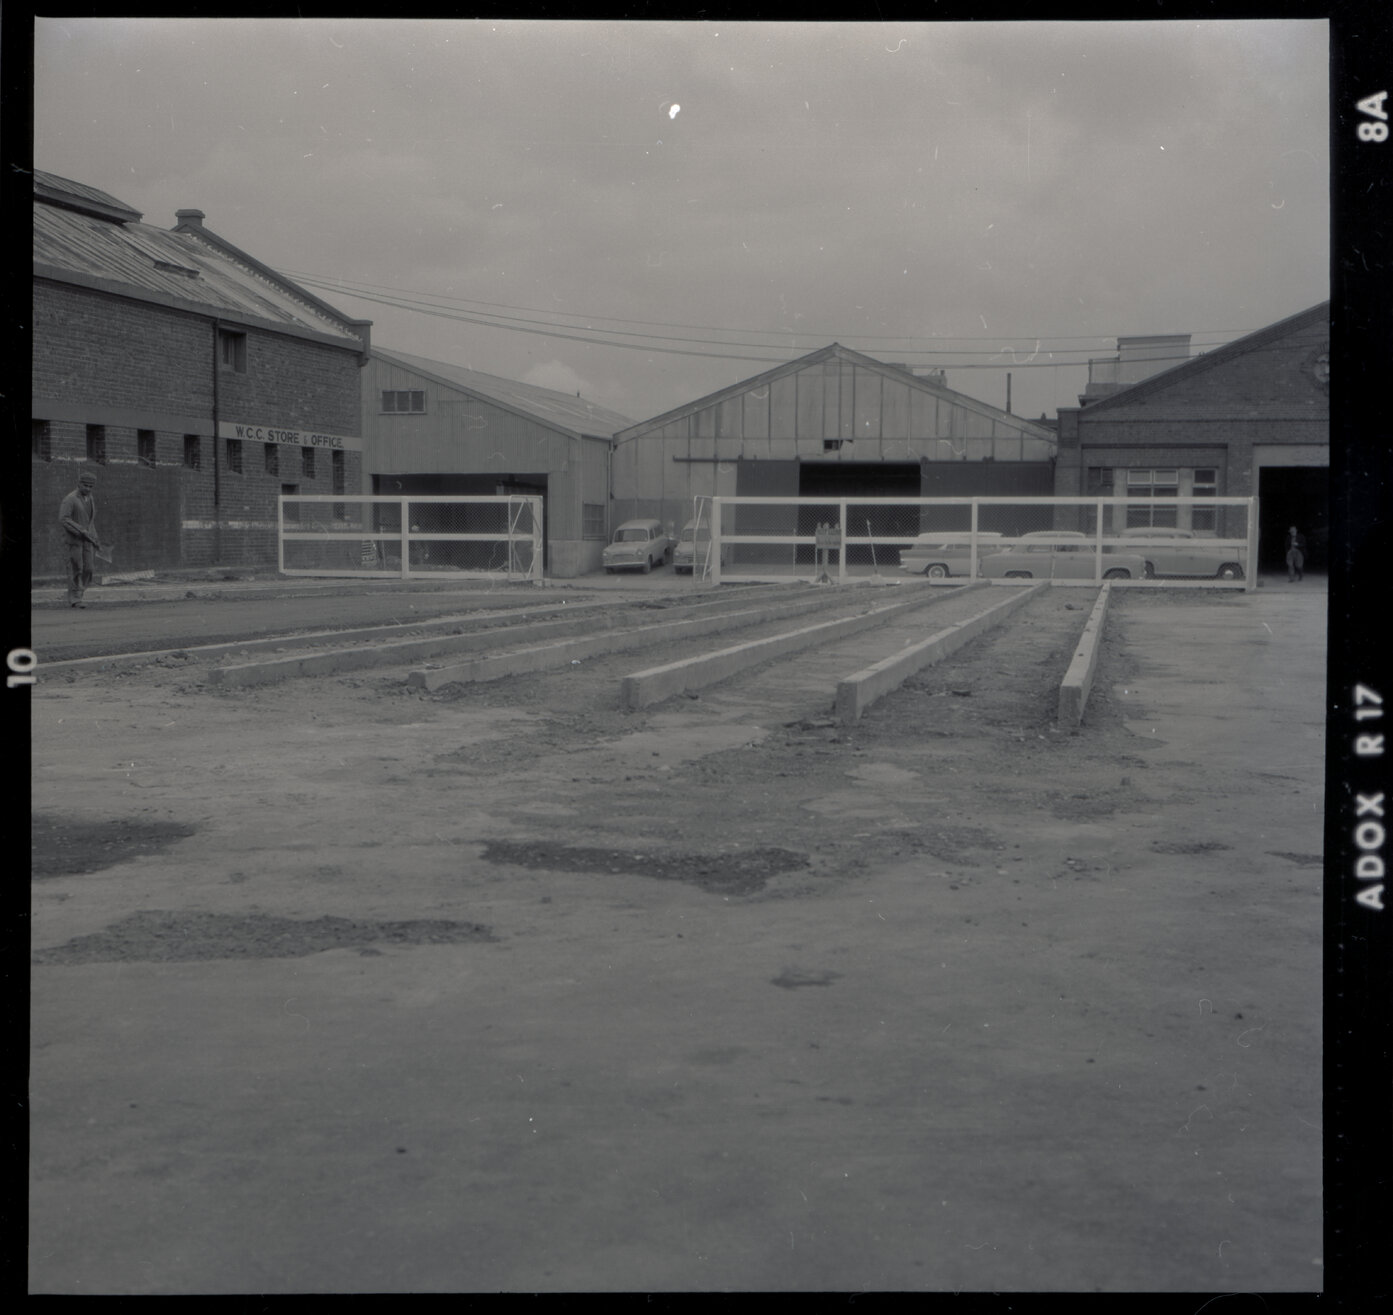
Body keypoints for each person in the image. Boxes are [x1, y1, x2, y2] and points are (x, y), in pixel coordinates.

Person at [58, 469, 101, 607]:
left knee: (89, 568)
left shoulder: (90, 498)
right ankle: (75, 599)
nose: (88, 488)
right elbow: (64, 519)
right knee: (76, 568)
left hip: (88, 540)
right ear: (79, 484)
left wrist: (94, 537)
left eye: (90, 486)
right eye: (85, 485)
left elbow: (90, 521)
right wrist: (80, 531)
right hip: (74, 541)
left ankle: (78, 592)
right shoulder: (70, 499)